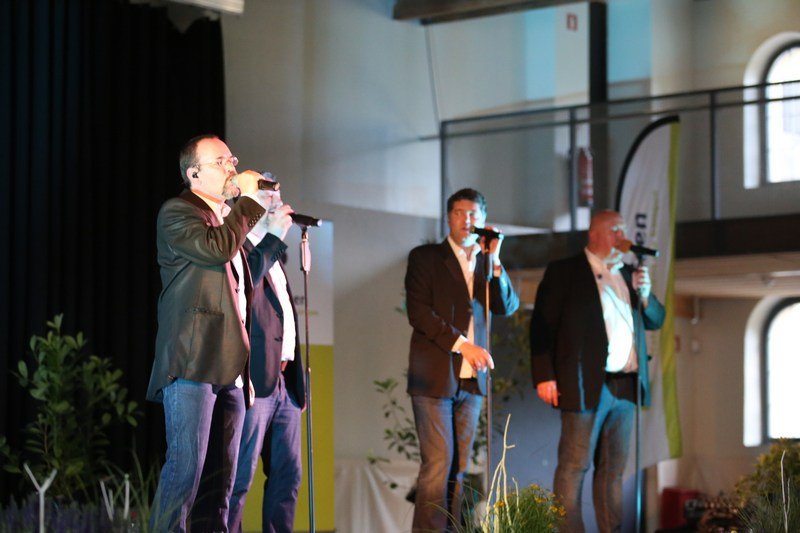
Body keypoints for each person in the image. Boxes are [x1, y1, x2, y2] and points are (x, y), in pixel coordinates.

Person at [147, 134, 266, 532]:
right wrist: (249, 201)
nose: (233, 167)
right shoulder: (178, 211)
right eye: (221, 162)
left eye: (232, 160)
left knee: (221, 485)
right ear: (194, 173)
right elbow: (215, 250)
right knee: (185, 473)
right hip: (192, 361)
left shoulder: (225, 220)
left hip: (230, 366)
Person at [529, 209, 666, 533]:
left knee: (613, 470)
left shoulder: (629, 274)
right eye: (615, 230)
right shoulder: (566, 271)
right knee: (574, 465)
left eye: (623, 230)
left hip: (626, 385)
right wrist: (544, 375)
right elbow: (542, 327)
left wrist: (645, 296)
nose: (622, 237)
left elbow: (656, 320)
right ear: (594, 234)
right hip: (585, 382)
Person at [405, 188, 519, 532]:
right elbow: (419, 313)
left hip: (471, 379)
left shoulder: (486, 262)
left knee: (459, 468)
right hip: (435, 375)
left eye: (473, 214)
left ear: (484, 220)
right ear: (448, 218)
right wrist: (463, 345)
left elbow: (507, 306)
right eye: (459, 213)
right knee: (437, 464)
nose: (466, 220)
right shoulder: (426, 257)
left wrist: (495, 260)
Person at [228, 174, 306, 533]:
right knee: (238, 478)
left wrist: (297, 381)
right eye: (265, 196)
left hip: (285, 383)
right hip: (254, 380)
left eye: (277, 195)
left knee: (287, 477)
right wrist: (273, 239)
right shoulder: (238, 250)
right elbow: (245, 293)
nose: (275, 202)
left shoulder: (275, 253)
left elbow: (284, 321)